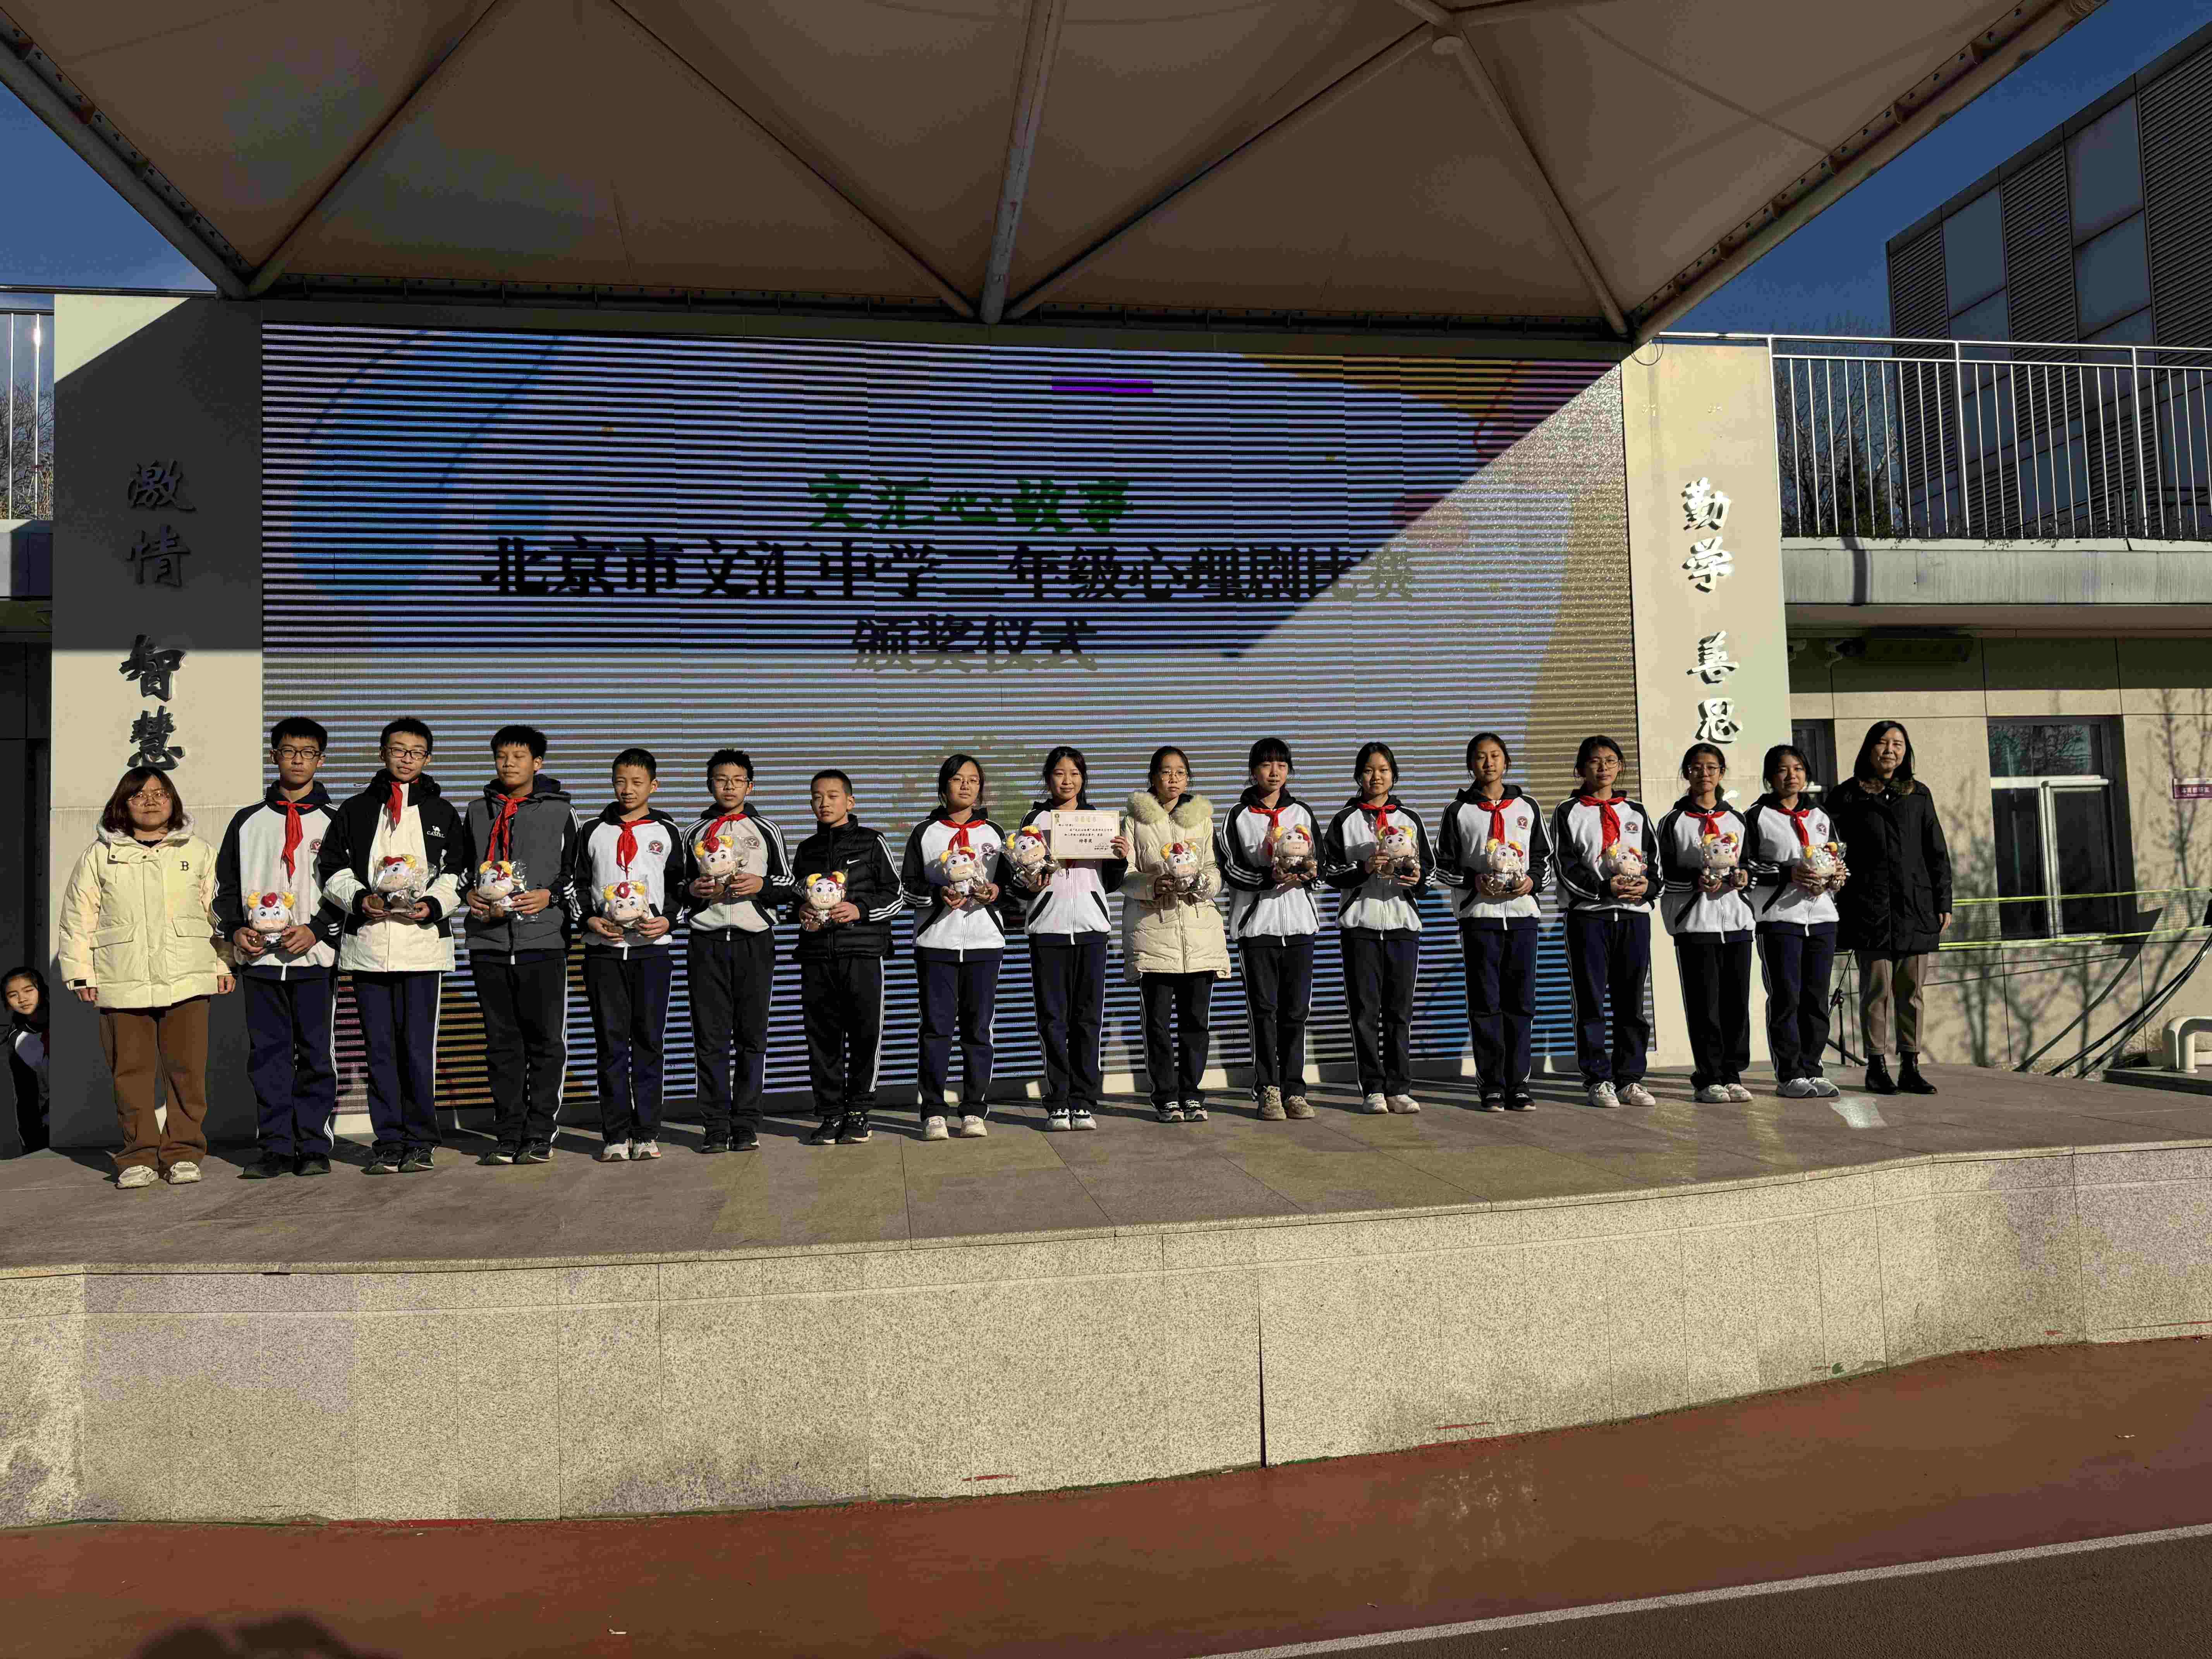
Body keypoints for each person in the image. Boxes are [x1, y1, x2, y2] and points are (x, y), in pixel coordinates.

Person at [58, 767, 234, 1188]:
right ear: (123, 804)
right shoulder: (100, 855)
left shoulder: (199, 851)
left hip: (188, 974)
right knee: (130, 1074)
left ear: (173, 800)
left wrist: (224, 963)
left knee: (187, 1072)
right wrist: (80, 974)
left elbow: (219, 913)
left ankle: (183, 1152)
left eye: (160, 793)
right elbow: (78, 918)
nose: (151, 801)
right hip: (122, 976)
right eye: (139, 795)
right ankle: (137, 1157)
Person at [318, 718, 469, 1175]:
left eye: (416, 751)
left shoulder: (442, 812)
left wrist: (432, 905)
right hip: (369, 947)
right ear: (382, 753)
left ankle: (421, 1140)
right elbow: (332, 869)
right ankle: (388, 1142)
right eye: (398, 749)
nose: (407, 758)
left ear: (428, 758)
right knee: (378, 1050)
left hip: (422, 949)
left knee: (418, 1050)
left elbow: (457, 873)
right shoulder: (356, 810)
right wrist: (359, 900)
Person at [214, 717, 343, 1179]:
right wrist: (235, 931)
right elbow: (225, 888)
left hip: (315, 959)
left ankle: (313, 1145)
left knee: (316, 1054)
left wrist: (319, 930)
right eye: (289, 751)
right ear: (274, 757)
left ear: (321, 760)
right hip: (261, 961)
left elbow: (347, 888)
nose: (297, 760)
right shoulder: (247, 821)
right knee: (268, 1055)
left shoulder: (336, 821)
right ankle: (275, 1147)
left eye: (308, 753)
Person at [461, 725, 579, 1166]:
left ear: (538, 763)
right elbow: (462, 868)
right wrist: (469, 895)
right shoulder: (477, 811)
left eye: (519, 756)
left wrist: (550, 895)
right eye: (502, 756)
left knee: (546, 1042)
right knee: (501, 1044)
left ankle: (540, 1132)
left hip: (542, 942)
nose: (509, 764)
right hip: (488, 942)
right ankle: (508, 1133)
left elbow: (576, 872)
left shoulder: (561, 811)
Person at [573, 748, 688, 1162]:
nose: (628, 789)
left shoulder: (667, 831)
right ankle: (615, 1135)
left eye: (637, 783)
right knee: (610, 1044)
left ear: (653, 786)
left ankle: (647, 1132)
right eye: (620, 781)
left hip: (651, 953)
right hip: (604, 953)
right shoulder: (592, 830)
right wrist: (589, 920)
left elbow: (682, 888)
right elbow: (575, 886)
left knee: (649, 1042)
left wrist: (668, 921)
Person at [1827, 720, 1952, 1096]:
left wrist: (1943, 901)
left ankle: (1910, 1066)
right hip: (1870, 907)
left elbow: (1936, 852)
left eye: (1898, 744)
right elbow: (1831, 850)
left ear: (1906, 752)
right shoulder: (1847, 796)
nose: (1890, 750)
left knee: (1912, 992)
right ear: (1869, 748)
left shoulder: (1919, 794)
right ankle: (1876, 1066)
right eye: (1883, 743)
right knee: (1876, 990)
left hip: (1915, 907)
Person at [680, 749, 792, 1154]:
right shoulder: (693, 833)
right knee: (709, 1039)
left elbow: (788, 883)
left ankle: (745, 1124)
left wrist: (761, 885)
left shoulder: (767, 829)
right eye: (721, 779)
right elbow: (677, 887)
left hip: (754, 940)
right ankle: (714, 1125)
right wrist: (693, 890)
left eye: (737, 779)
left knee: (752, 1037)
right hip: (706, 941)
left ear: (750, 786)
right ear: (709, 784)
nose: (729, 786)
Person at [1012, 746, 1125, 1132]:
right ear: (1048, 779)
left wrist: (1120, 857)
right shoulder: (1034, 820)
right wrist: (1031, 881)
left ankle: (1083, 1101)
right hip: (1049, 929)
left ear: (1083, 779)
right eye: (1060, 773)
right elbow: (1019, 880)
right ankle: (1058, 1101)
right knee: (1053, 1019)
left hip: (1092, 928)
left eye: (1075, 773)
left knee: (1088, 1019)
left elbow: (1110, 883)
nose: (1067, 781)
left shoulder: (1099, 821)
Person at [900, 754, 1012, 1141]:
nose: (966, 786)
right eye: (958, 779)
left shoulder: (995, 833)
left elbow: (1011, 889)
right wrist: (938, 894)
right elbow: (908, 888)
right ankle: (933, 1111)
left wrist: (995, 892)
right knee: (936, 1029)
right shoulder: (925, 833)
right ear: (943, 786)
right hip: (936, 943)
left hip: (985, 942)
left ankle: (974, 1110)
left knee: (978, 1030)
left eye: (974, 780)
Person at [1320, 743, 1436, 1114]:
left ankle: (1399, 1088)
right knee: (1365, 1012)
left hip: (1403, 925)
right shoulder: (1345, 820)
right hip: (1361, 925)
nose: (1376, 777)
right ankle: (1372, 1088)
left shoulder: (1410, 819)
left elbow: (1430, 870)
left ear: (1394, 775)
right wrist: (1364, 868)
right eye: (1369, 770)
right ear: (1359, 776)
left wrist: (1417, 878)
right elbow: (1328, 871)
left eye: (1384, 770)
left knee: (1400, 1013)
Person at [1436, 732, 1550, 1111]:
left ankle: (1519, 1084)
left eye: (1496, 755)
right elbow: (1444, 866)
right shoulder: (1458, 811)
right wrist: (1474, 881)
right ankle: (1492, 1085)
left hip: (1522, 917)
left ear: (1507, 762)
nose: (1489, 763)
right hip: (1479, 917)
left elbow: (1544, 859)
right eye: (1481, 757)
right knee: (1486, 1003)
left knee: (1521, 1003)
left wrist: (1532, 882)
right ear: (1471, 765)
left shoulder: (1527, 806)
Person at [1115, 746, 1230, 1123]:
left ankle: (1192, 1095)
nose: (1174, 779)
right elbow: (1123, 876)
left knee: (1196, 1025)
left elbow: (1213, 867)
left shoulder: (1202, 818)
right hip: (1153, 934)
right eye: (1166, 772)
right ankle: (1165, 1096)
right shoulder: (1133, 820)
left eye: (1181, 772)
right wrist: (1152, 885)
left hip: (1199, 935)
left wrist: (1204, 885)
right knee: (1159, 1026)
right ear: (1153, 778)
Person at [790, 770, 904, 1146]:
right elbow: (794, 900)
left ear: (850, 802)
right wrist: (800, 913)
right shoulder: (806, 850)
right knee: (822, 1038)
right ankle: (830, 1113)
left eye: (833, 796)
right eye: (817, 797)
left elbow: (896, 895)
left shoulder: (872, 842)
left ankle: (858, 1112)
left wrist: (860, 910)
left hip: (863, 953)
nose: (824, 803)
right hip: (816, 955)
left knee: (865, 1035)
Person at [1550, 735, 1659, 1109]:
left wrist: (1647, 887)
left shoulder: (1636, 811)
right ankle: (1598, 1079)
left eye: (1611, 761)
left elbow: (1655, 863)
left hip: (1633, 918)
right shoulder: (1568, 811)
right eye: (1595, 761)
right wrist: (1602, 888)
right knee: (1591, 1002)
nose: (1603, 768)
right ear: (1581, 769)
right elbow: (1565, 866)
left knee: (1632, 1004)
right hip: (1589, 919)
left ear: (1621, 766)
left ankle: (1631, 1079)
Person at [1216, 737, 1321, 1121]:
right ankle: (1268, 1089)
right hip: (1256, 927)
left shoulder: (1302, 812)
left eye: (1281, 765)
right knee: (1264, 1011)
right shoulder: (1237, 816)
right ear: (1253, 771)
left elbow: (1321, 864)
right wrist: (1269, 878)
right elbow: (1231, 869)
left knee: (1296, 1012)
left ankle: (1295, 1090)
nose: (1274, 772)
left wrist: (1308, 874)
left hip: (1300, 926)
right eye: (1266, 764)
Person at [1743, 744, 1845, 1099]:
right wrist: (1788, 873)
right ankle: (1789, 1074)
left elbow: (1835, 857)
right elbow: (1746, 869)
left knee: (1816, 998)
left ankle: (1813, 1069)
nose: (1792, 776)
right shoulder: (1756, 817)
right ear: (1770, 777)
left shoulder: (1820, 815)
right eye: (1783, 770)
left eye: (1799, 768)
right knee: (1787, 997)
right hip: (1779, 918)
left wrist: (1836, 877)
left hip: (1822, 917)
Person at [1656, 744, 1756, 1104]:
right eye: (1697, 768)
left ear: (1721, 773)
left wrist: (1744, 878)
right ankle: (1708, 1077)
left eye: (1712, 767)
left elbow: (1752, 865)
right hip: (1695, 923)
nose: (1704, 774)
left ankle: (1733, 1074)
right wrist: (1695, 879)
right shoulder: (1673, 821)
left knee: (1736, 1004)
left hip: (1737, 922)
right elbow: (1662, 873)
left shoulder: (1738, 820)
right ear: (1687, 773)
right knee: (1704, 1005)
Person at [5, 966, 50, 1156]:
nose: (22, 999)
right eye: (13, 995)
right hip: (48, 1127)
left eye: (28, 990)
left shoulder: (69, 1023)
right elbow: (26, 1098)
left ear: (43, 990)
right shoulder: (18, 1041)